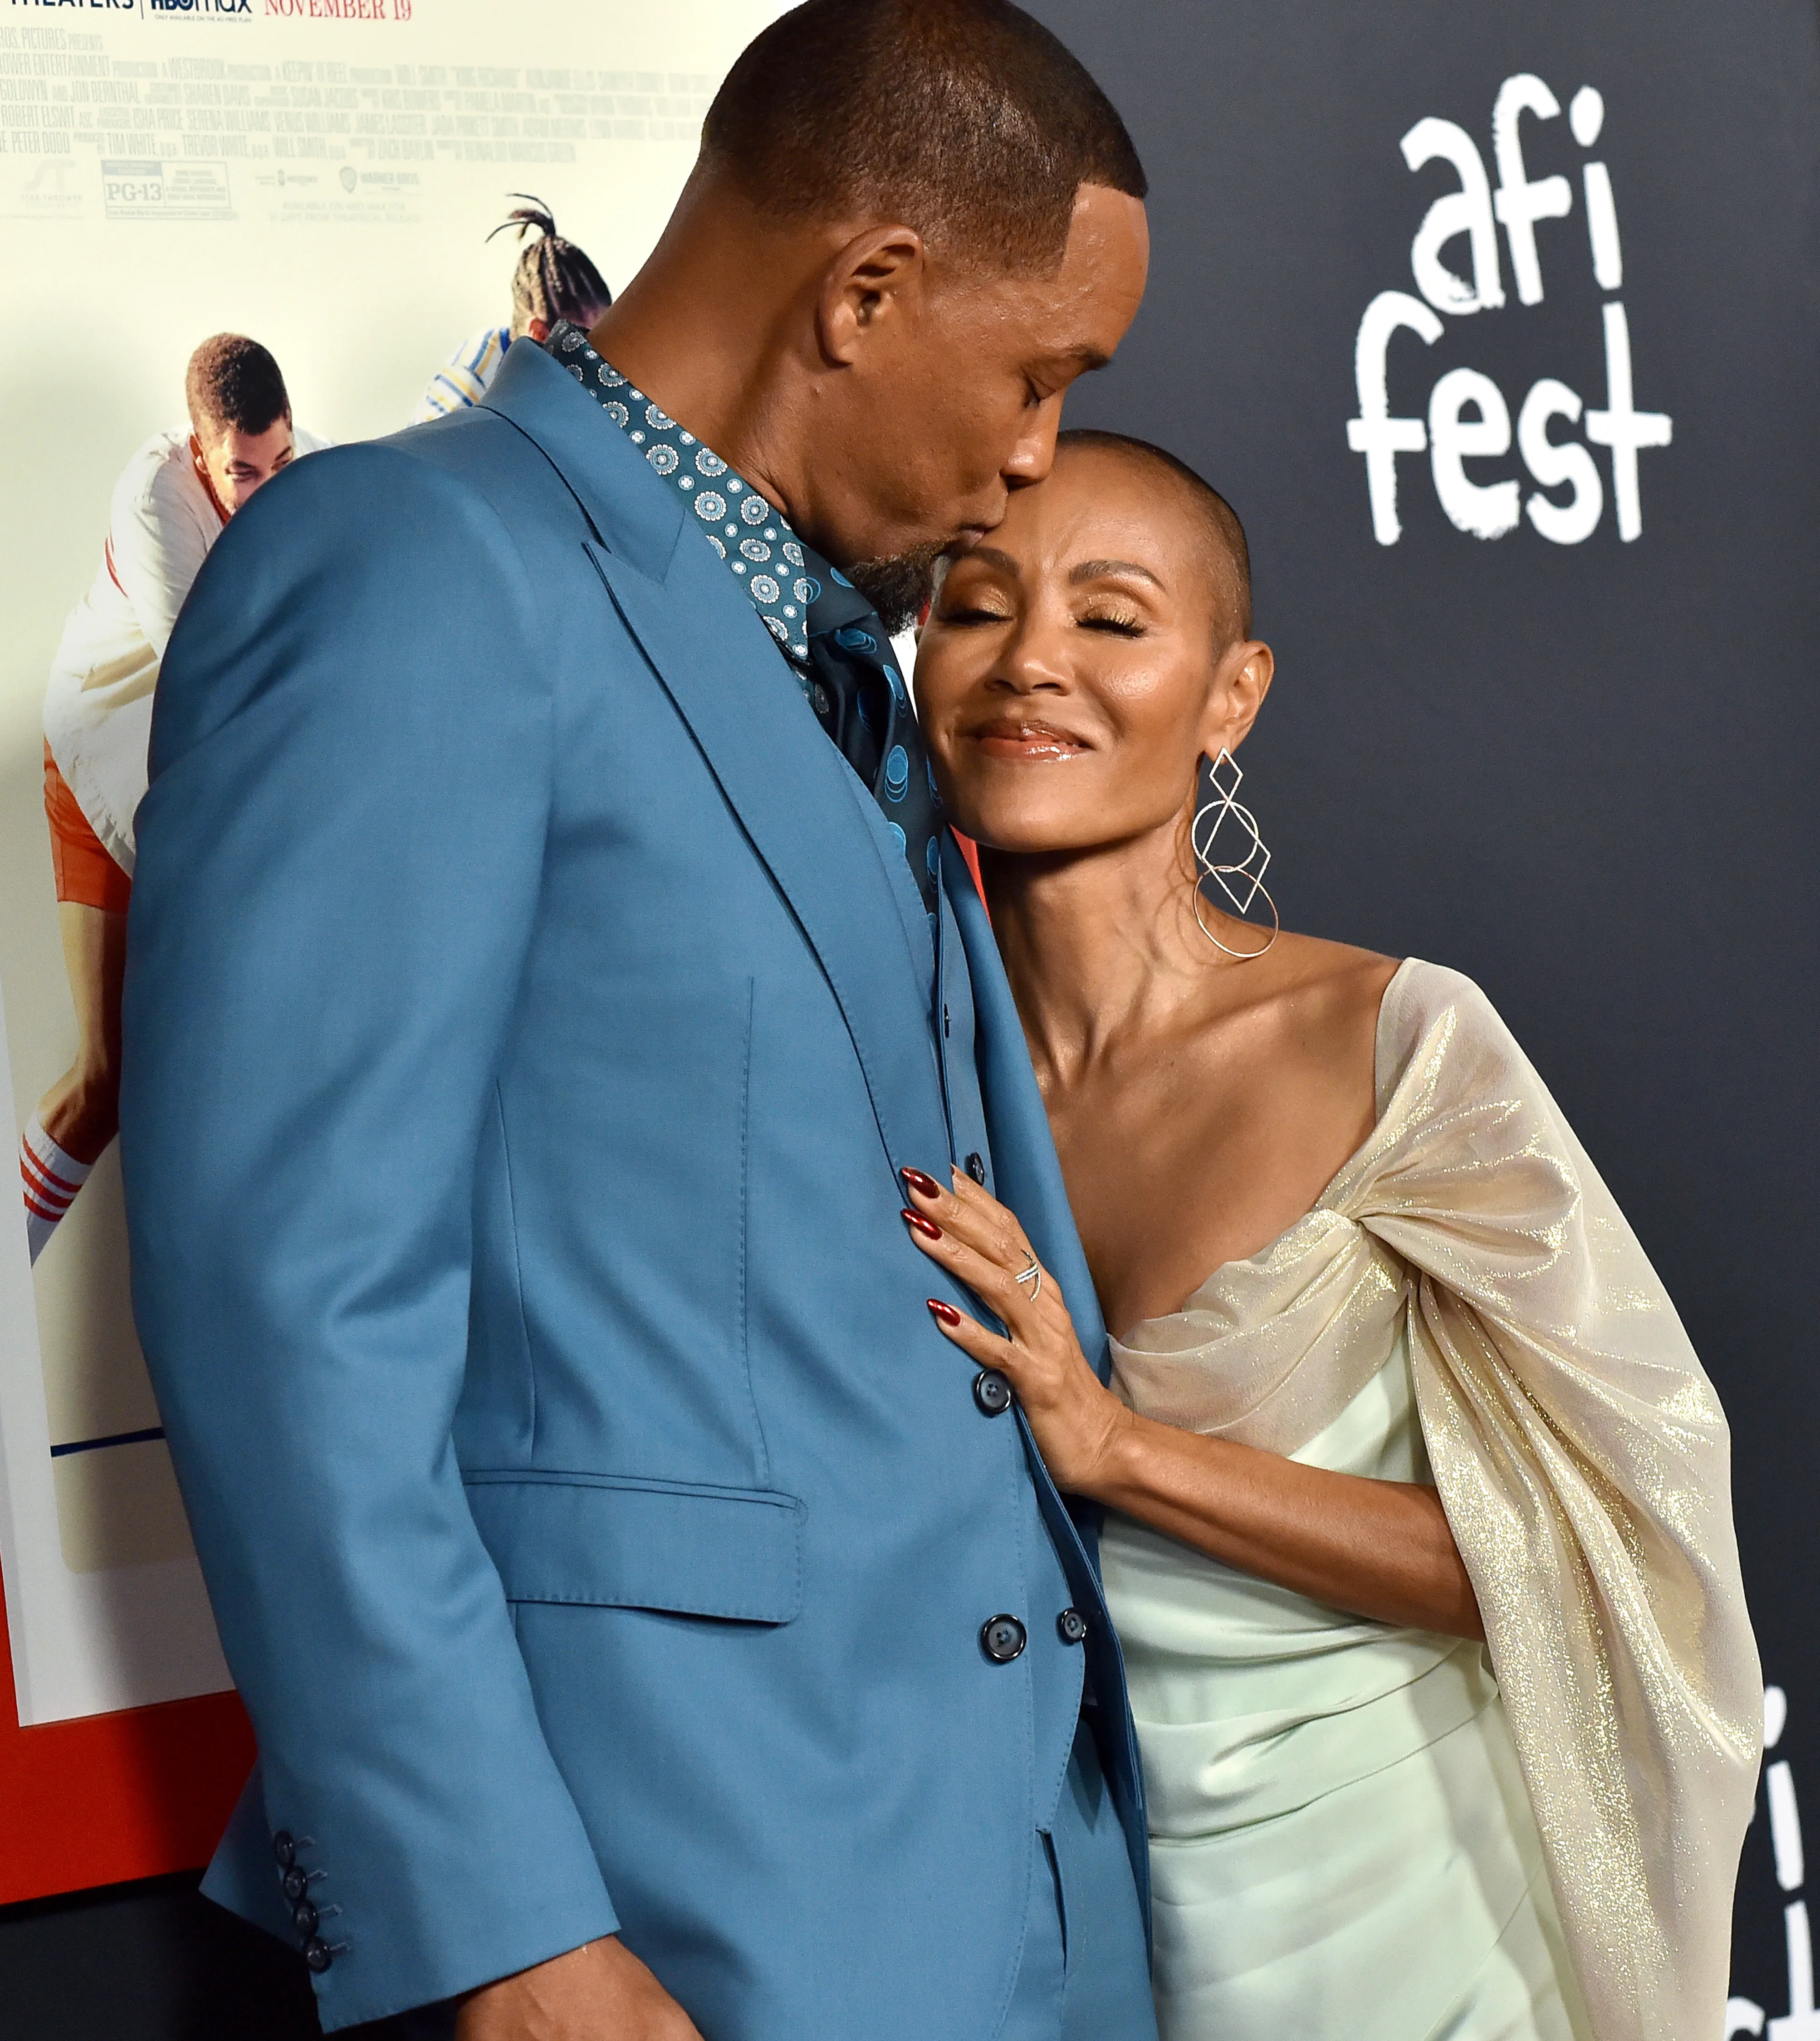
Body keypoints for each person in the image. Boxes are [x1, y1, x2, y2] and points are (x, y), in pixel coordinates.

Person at [120, 5, 1152, 2037]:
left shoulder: (836, 635)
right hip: (671, 1904)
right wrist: (494, 1926)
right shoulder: (409, 566)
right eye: (1039, 375)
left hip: (1016, 1888)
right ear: (865, 292)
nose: (1036, 454)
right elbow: (291, 1298)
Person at [903, 430, 1762, 2041]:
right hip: (1053, 1933)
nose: (1030, 662)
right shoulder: (898, 1076)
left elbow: (1582, 1549)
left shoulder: (1392, 1048)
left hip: (1410, 1922)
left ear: (1230, 695)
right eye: (975, 606)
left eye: (1108, 617)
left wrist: (1120, 1449)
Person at [24, 335, 322, 1263]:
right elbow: (217, 685)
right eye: (242, 472)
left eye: (280, 464)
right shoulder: (153, 496)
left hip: (201, 776)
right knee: (105, 1081)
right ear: (199, 449)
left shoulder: (303, 469)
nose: (265, 491)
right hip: (104, 755)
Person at [412, 197, 612, 422]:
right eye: (585, 345)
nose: (597, 361)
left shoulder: (542, 376)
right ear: (539, 335)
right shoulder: (468, 389)